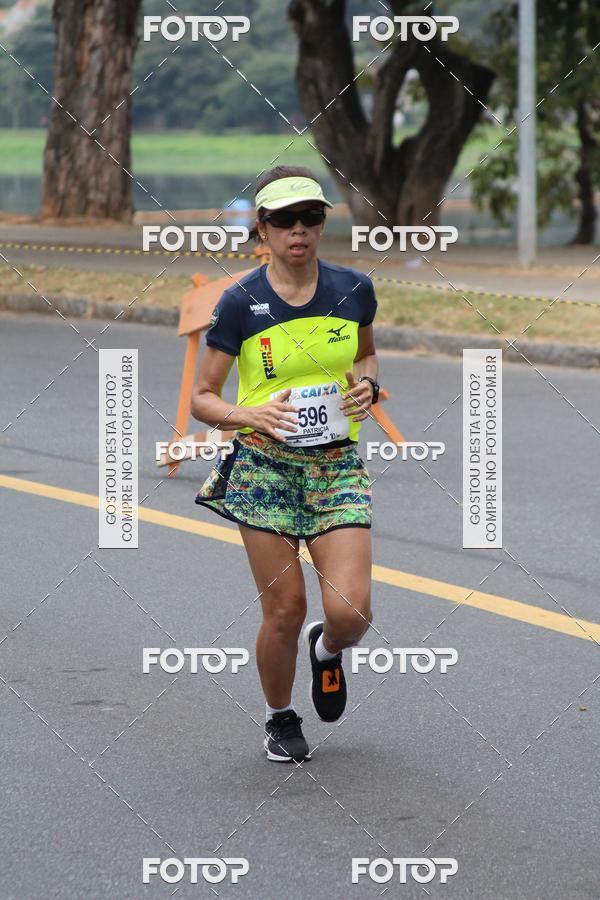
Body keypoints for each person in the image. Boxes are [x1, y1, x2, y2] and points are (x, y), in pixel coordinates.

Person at [191, 166, 380, 762]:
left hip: (335, 464)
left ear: (323, 224)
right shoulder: (240, 301)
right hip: (264, 467)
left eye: (310, 218)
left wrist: (366, 390)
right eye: (283, 221)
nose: (298, 230)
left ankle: (327, 650)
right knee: (285, 607)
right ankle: (280, 717)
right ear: (262, 231)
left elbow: (368, 358)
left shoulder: (353, 289)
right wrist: (251, 415)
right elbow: (203, 398)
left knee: (349, 611)